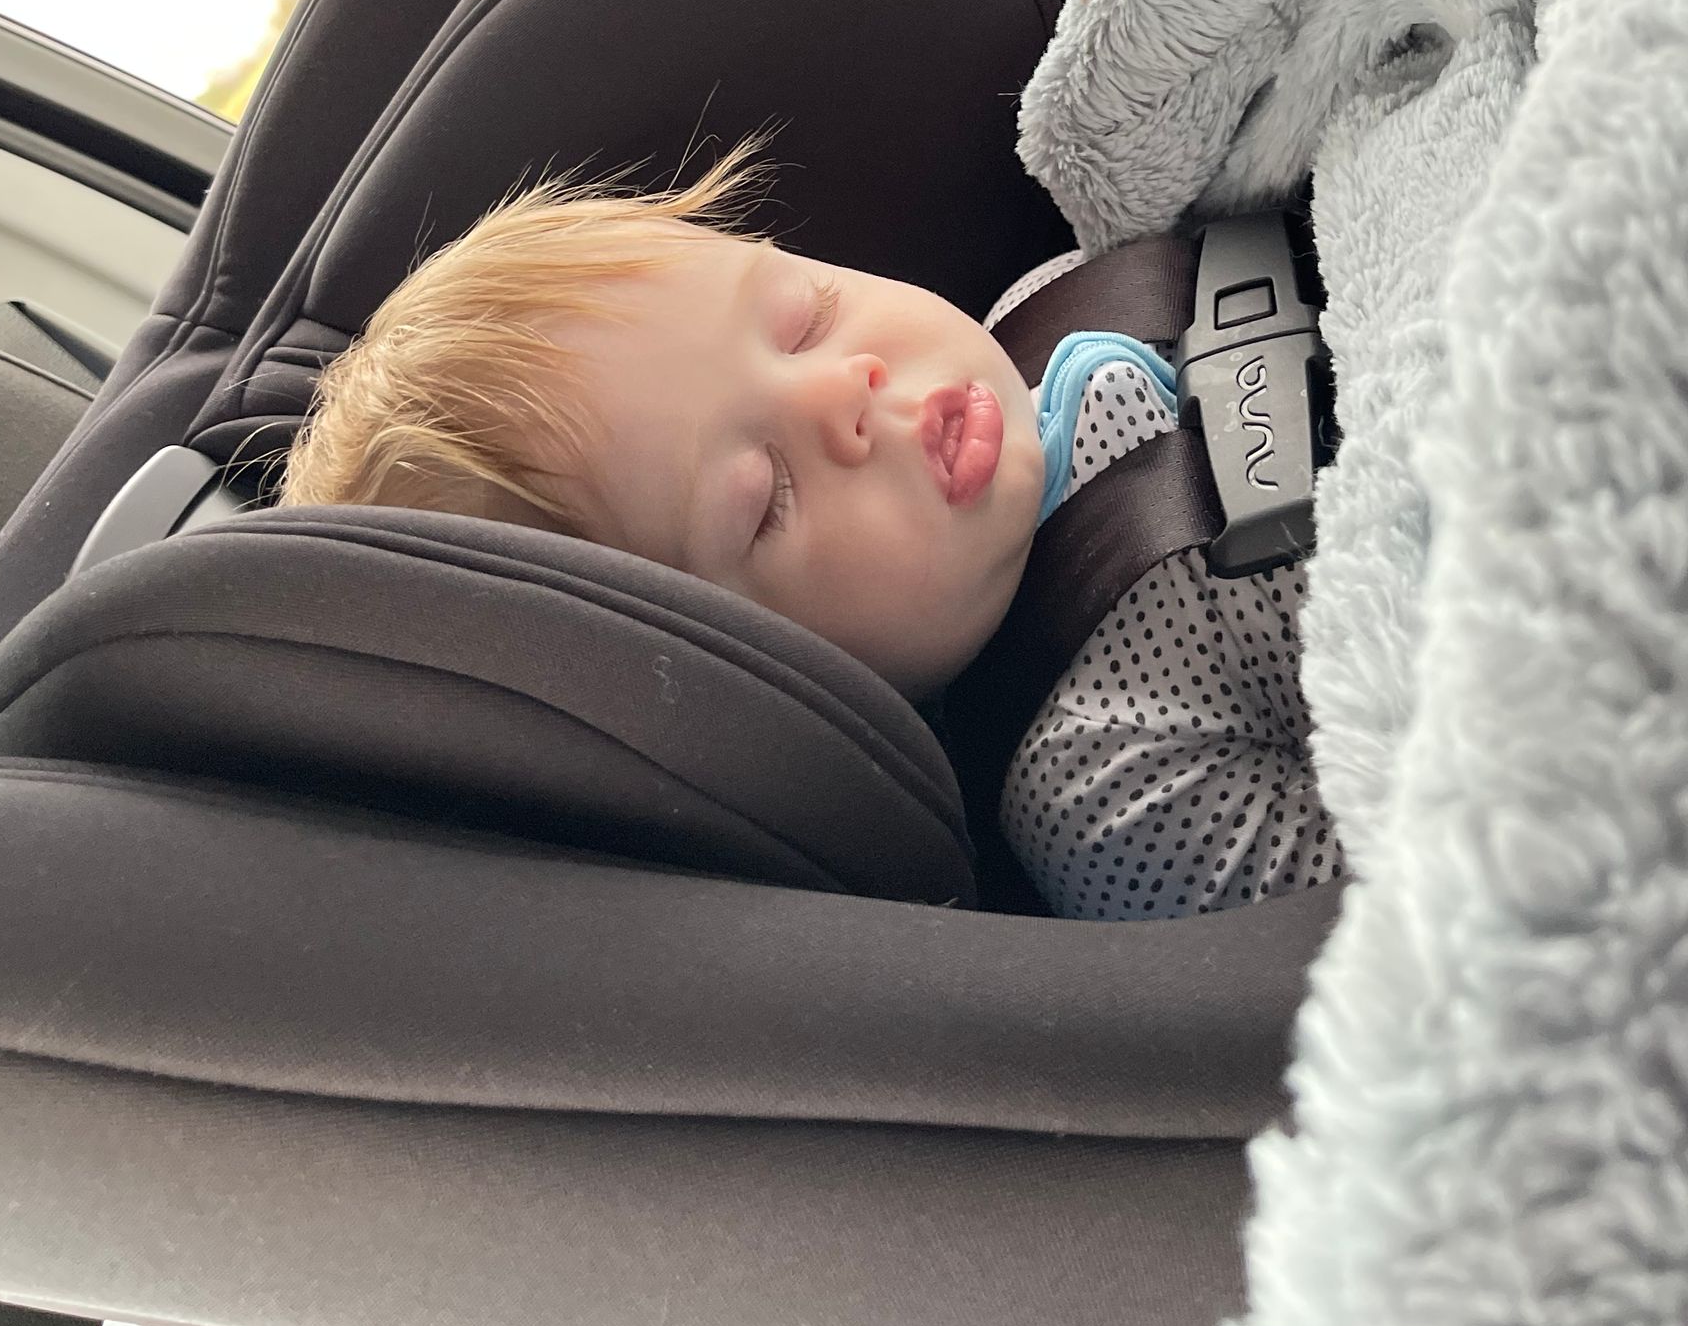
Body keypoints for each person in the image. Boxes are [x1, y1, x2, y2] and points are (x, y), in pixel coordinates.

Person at [280, 145, 1342, 918]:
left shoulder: (1051, 300)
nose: (846, 388)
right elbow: (1405, 905)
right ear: (765, 686)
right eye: (764, 500)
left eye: (803, 317)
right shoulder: (1107, 776)